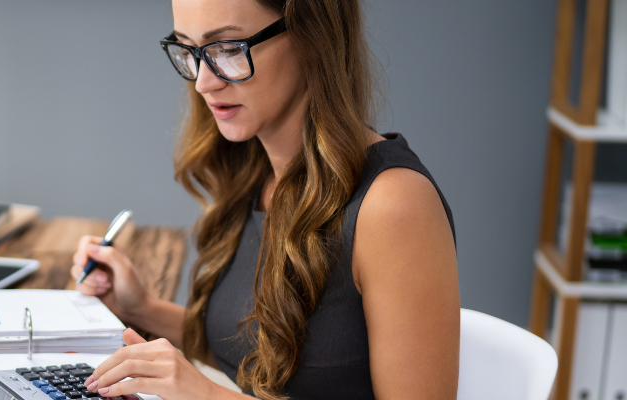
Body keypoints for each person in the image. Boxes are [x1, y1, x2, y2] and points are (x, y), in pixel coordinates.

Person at [71, 0, 460, 399]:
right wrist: (141, 308)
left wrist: (207, 395)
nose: (204, 82)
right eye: (189, 50)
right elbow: (258, 357)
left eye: (227, 49)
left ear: (312, 38)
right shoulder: (257, 172)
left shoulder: (393, 206)